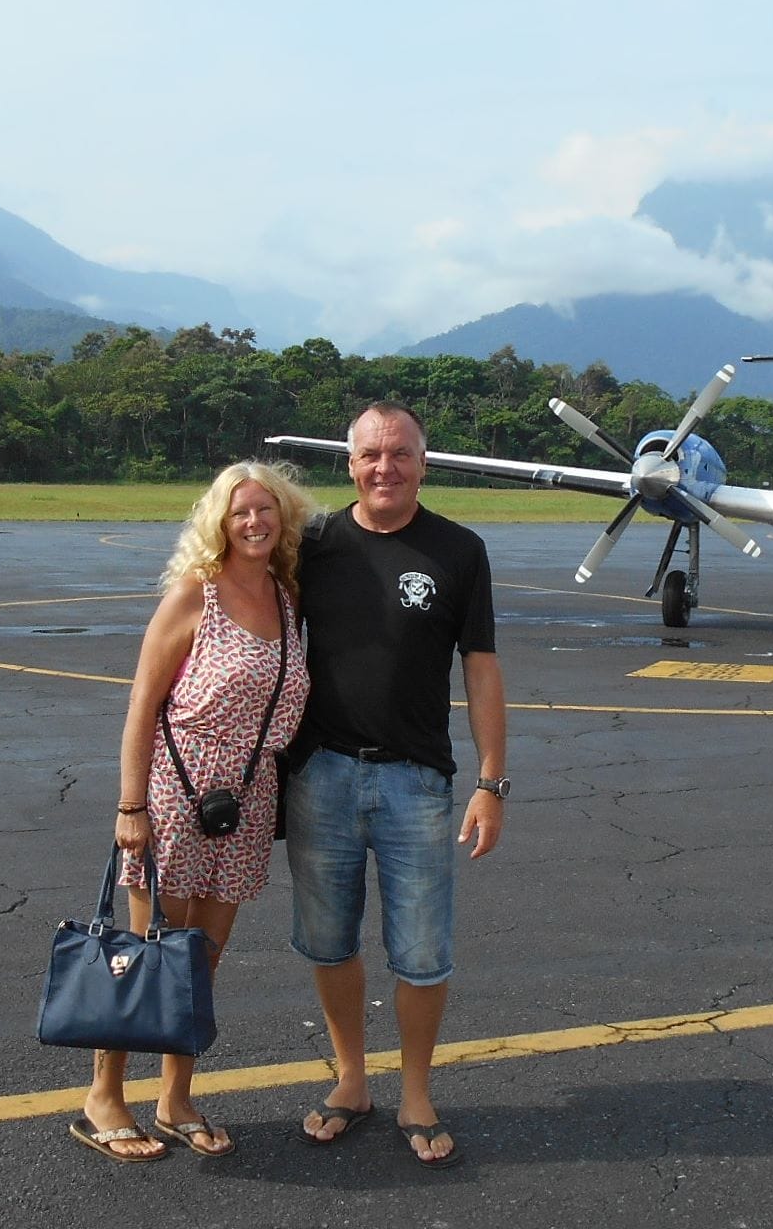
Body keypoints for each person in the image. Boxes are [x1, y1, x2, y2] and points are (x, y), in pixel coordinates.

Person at [286, 401, 507, 1169]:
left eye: (401, 453)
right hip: (320, 774)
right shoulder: (310, 544)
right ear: (348, 463)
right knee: (328, 940)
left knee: (420, 952)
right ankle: (352, 1077)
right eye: (370, 454)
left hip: (418, 782)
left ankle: (415, 1088)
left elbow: (479, 667)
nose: (385, 467)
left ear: (424, 460)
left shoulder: (460, 550)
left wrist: (491, 783)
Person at [74, 461, 316, 1163]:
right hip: (180, 790)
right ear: (218, 520)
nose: (254, 522)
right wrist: (130, 807)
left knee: (202, 960)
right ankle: (103, 1098)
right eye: (240, 511)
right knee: (150, 958)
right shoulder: (194, 596)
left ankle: (176, 1098)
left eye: (265, 509)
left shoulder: (287, 598)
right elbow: (142, 705)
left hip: (247, 797)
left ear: (283, 516)